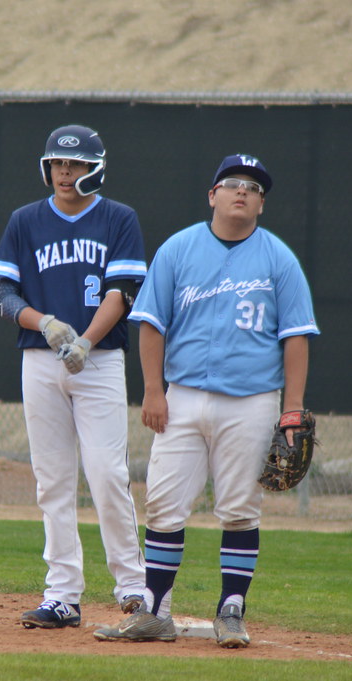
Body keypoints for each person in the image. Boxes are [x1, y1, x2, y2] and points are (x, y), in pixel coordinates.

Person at [93, 153, 319, 648]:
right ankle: (155, 611)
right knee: (164, 504)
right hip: (183, 397)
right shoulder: (178, 249)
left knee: (240, 508)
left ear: (261, 204)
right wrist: (153, 390)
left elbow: (296, 337)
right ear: (212, 195)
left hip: (252, 401)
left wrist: (292, 408)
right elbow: (151, 323)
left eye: (254, 187)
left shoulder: (279, 258)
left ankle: (231, 610)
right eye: (233, 183)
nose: (243, 191)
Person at [0, 124, 148, 630]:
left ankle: (133, 588)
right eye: (58, 163)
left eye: (74, 165)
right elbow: (5, 298)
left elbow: (122, 292)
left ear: (94, 168)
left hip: (97, 363)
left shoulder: (118, 218)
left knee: (106, 473)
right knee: (52, 481)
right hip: (39, 359)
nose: (64, 172)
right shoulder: (25, 221)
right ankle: (62, 595)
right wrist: (47, 325)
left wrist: (86, 341)